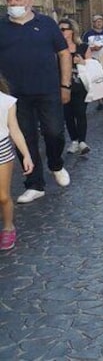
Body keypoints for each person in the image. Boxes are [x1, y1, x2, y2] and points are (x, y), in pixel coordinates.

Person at [0, 0, 71, 204]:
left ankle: (56, 164)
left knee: (54, 132)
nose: (13, 3)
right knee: (25, 138)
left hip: (48, 90)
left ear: (29, 2)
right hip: (14, 95)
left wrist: (65, 85)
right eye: (9, 0)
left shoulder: (47, 24)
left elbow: (63, 52)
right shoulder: (1, 26)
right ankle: (34, 184)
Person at [0, 73, 34, 250]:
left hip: (2, 150)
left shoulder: (7, 101)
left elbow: (15, 129)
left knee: (3, 196)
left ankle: (8, 227)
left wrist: (26, 155)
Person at [59, 18, 92, 155]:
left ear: (72, 31)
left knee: (80, 113)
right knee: (68, 115)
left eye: (63, 29)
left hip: (80, 85)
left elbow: (92, 65)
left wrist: (82, 61)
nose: (61, 32)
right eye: (59, 29)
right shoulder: (57, 48)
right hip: (63, 86)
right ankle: (74, 140)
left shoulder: (83, 47)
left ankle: (82, 141)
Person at [83, 14, 103, 110]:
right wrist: (93, 48)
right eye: (97, 21)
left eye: (100, 21)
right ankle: (100, 100)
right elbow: (84, 47)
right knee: (98, 80)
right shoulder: (88, 34)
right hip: (94, 60)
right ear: (93, 23)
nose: (99, 23)